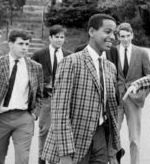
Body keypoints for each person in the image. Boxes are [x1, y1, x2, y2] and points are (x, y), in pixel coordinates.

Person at [42, 14, 121, 164]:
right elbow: (60, 111)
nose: (112, 37)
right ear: (91, 31)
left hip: (101, 139)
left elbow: (111, 110)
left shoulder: (110, 67)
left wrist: (112, 150)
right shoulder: (71, 62)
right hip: (74, 141)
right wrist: (65, 154)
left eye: (114, 33)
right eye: (107, 31)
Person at [0, 29, 43, 164]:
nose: (25, 48)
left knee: (23, 159)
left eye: (27, 44)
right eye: (21, 44)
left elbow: (39, 95)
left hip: (24, 119)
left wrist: (34, 114)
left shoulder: (35, 67)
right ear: (10, 44)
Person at [31, 25, 72, 164]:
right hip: (46, 98)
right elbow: (31, 76)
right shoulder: (39, 55)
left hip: (63, 98)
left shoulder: (69, 56)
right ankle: (41, 160)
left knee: (60, 130)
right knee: (45, 129)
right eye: (57, 37)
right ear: (50, 38)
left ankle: (54, 160)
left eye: (62, 37)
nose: (60, 40)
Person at [116, 23, 150, 164]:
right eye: (122, 36)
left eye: (127, 36)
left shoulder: (142, 53)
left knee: (134, 139)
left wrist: (141, 95)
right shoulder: (111, 52)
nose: (125, 39)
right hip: (116, 99)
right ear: (118, 37)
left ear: (132, 35)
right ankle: (115, 160)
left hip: (134, 100)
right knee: (114, 136)